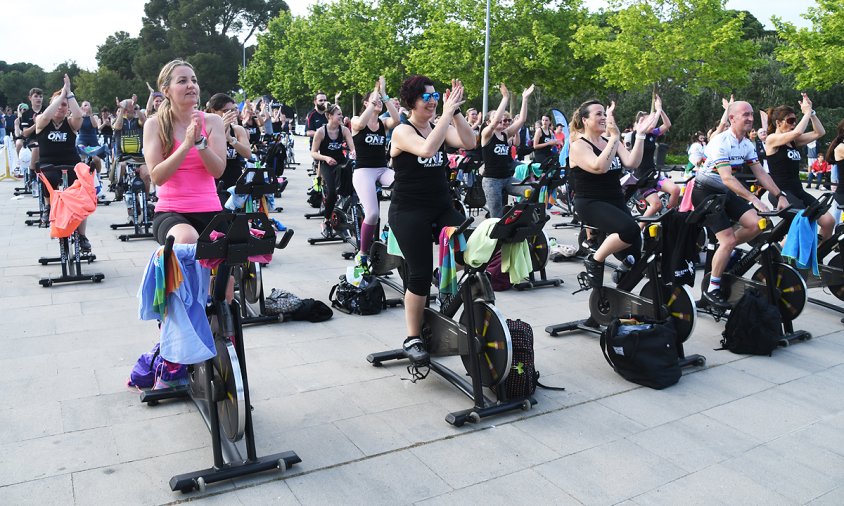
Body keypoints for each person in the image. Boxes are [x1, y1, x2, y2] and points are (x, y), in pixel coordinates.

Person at [388, 75, 475, 364]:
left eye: (436, 95)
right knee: (420, 275)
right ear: (411, 102)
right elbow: (426, 149)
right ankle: (412, 337)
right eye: (427, 97)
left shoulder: (440, 125)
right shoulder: (402, 131)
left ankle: (445, 273)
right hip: (409, 212)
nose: (433, 100)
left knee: (471, 250)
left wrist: (457, 111)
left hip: (440, 208)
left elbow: (469, 141)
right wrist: (446, 115)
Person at [692, 101, 790, 309]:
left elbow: (761, 173)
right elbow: (727, 178)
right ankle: (712, 289)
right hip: (705, 193)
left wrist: (779, 194)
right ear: (732, 119)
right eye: (745, 115)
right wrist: (754, 199)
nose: (750, 118)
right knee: (727, 240)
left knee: (754, 225)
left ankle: (724, 252)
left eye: (752, 115)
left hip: (725, 193)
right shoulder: (720, 141)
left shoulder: (746, 144)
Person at [570, 100, 653, 289]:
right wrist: (615, 138)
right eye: (598, 114)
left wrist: (639, 136)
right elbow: (599, 167)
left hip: (614, 199)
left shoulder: (610, 141)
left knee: (635, 251)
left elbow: (632, 162)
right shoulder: (579, 146)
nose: (604, 117)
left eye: (604, 114)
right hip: (590, 202)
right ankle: (595, 259)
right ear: (585, 120)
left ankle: (618, 294)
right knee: (629, 230)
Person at [143, 59, 226, 246]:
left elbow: (218, 171)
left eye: (194, 80)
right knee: (188, 240)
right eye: (182, 81)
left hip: (210, 209)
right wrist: (186, 144)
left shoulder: (213, 121)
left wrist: (199, 143)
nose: (191, 85)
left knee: (226, 271)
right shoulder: (154, 124)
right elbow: (157, 177)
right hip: (171, 213)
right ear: (166, 91)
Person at [34, 75, 93, 251]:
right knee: (49, 178)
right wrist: (61, 96)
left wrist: (69, 93)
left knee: (81, 193)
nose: (61, 106)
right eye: (58, 103)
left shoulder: (71, 123)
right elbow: (46, 114)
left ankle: (82, 236)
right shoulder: (42, 121)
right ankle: (47, 206)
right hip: (48, 163)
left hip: (70, 162)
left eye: (64, 105)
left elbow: (78, 114)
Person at [764, 94, 831, 239]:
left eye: (795, 120)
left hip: (798, 191)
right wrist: (805, 113)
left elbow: (820, 132)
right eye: (790, 120)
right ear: (778, 123)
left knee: (828, 222)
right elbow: (798, 132)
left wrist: (812, 113)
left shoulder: (794, 141)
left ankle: (815, 254)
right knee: (802, 222)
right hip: (781, 193)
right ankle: (785, 252)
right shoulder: (772, 140)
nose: (794, 123)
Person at [349, 76, 400, 267]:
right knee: (372, 214)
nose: (378, 102)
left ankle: (392, 226)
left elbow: (396, 119)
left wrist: (384, 95)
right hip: (364, 171)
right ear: (366, 103)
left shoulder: (383, 123)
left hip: (382, 169)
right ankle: (362, 252)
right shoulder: (356, 120)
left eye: (379, 100)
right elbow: (360, 124)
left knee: (404, 184)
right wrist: (375, 94)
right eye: (374, 100)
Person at [480, 83, 535, 218]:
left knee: (530, 191)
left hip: (507, 178)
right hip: (491, 181)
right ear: (488, 122)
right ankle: (494, 237)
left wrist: (525, 99)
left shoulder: (505, 134)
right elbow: (495, 122)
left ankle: (515, 217)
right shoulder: (486, 134)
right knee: (496, 216)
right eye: (496, 117)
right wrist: (505, 98)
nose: (501, 120)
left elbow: (521, 120)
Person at [630, 95, 681, 220]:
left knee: (675, 190)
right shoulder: (636, 135)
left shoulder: (652, 134)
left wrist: (661, 109)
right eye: (648, 120)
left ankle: (668, 216)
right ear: (640, 122)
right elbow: (650, 125)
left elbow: (667, 124)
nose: (652, 123)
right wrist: (656, 111)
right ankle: (639, 230)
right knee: (656, 205)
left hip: (653, 174)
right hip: (642, 177)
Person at [310, 103, 356, 238]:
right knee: (332, 192)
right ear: (330, 116)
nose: (341, 116)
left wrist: (354, 153)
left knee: (351, 190)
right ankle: (326, 221)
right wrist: (325, 157)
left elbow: (352, 148)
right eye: (338, 114)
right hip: (326, 163)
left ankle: (344, 217)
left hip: (341, 163)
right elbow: (313, 153)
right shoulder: (321, 132)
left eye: (341, 114)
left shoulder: (344, 130)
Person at [206, 93, 251, 206]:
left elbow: (247, 154)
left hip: (234, 181)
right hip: (214, 183)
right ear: (213, 111)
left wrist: (231, 139)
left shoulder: (237, 130)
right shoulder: (205, 130)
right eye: (225, 111)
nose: (230, 114)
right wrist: (221, 129)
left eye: (233, 110)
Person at [75, 101, 104, 174]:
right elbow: (77, 127)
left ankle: (98, 174)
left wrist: (90, 114)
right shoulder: (80, 117)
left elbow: (95, 125)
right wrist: (81, 115)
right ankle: (81, 174)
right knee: (81, 155)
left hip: (92, 139)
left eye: (87, 105)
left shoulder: (94, 116)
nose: (86, 107)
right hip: (82, 139)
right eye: (84, 105)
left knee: (96, 159)